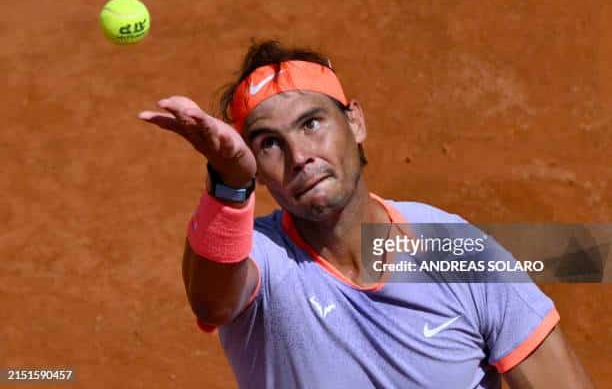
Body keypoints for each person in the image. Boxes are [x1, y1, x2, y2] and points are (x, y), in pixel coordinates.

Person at [138, 40, 593, 388]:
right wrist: (228, 186)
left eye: (311, 123)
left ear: (355, 122)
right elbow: (211, 300)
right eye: (269, 143)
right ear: (257, 171)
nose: (300, 156)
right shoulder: (263, 261)